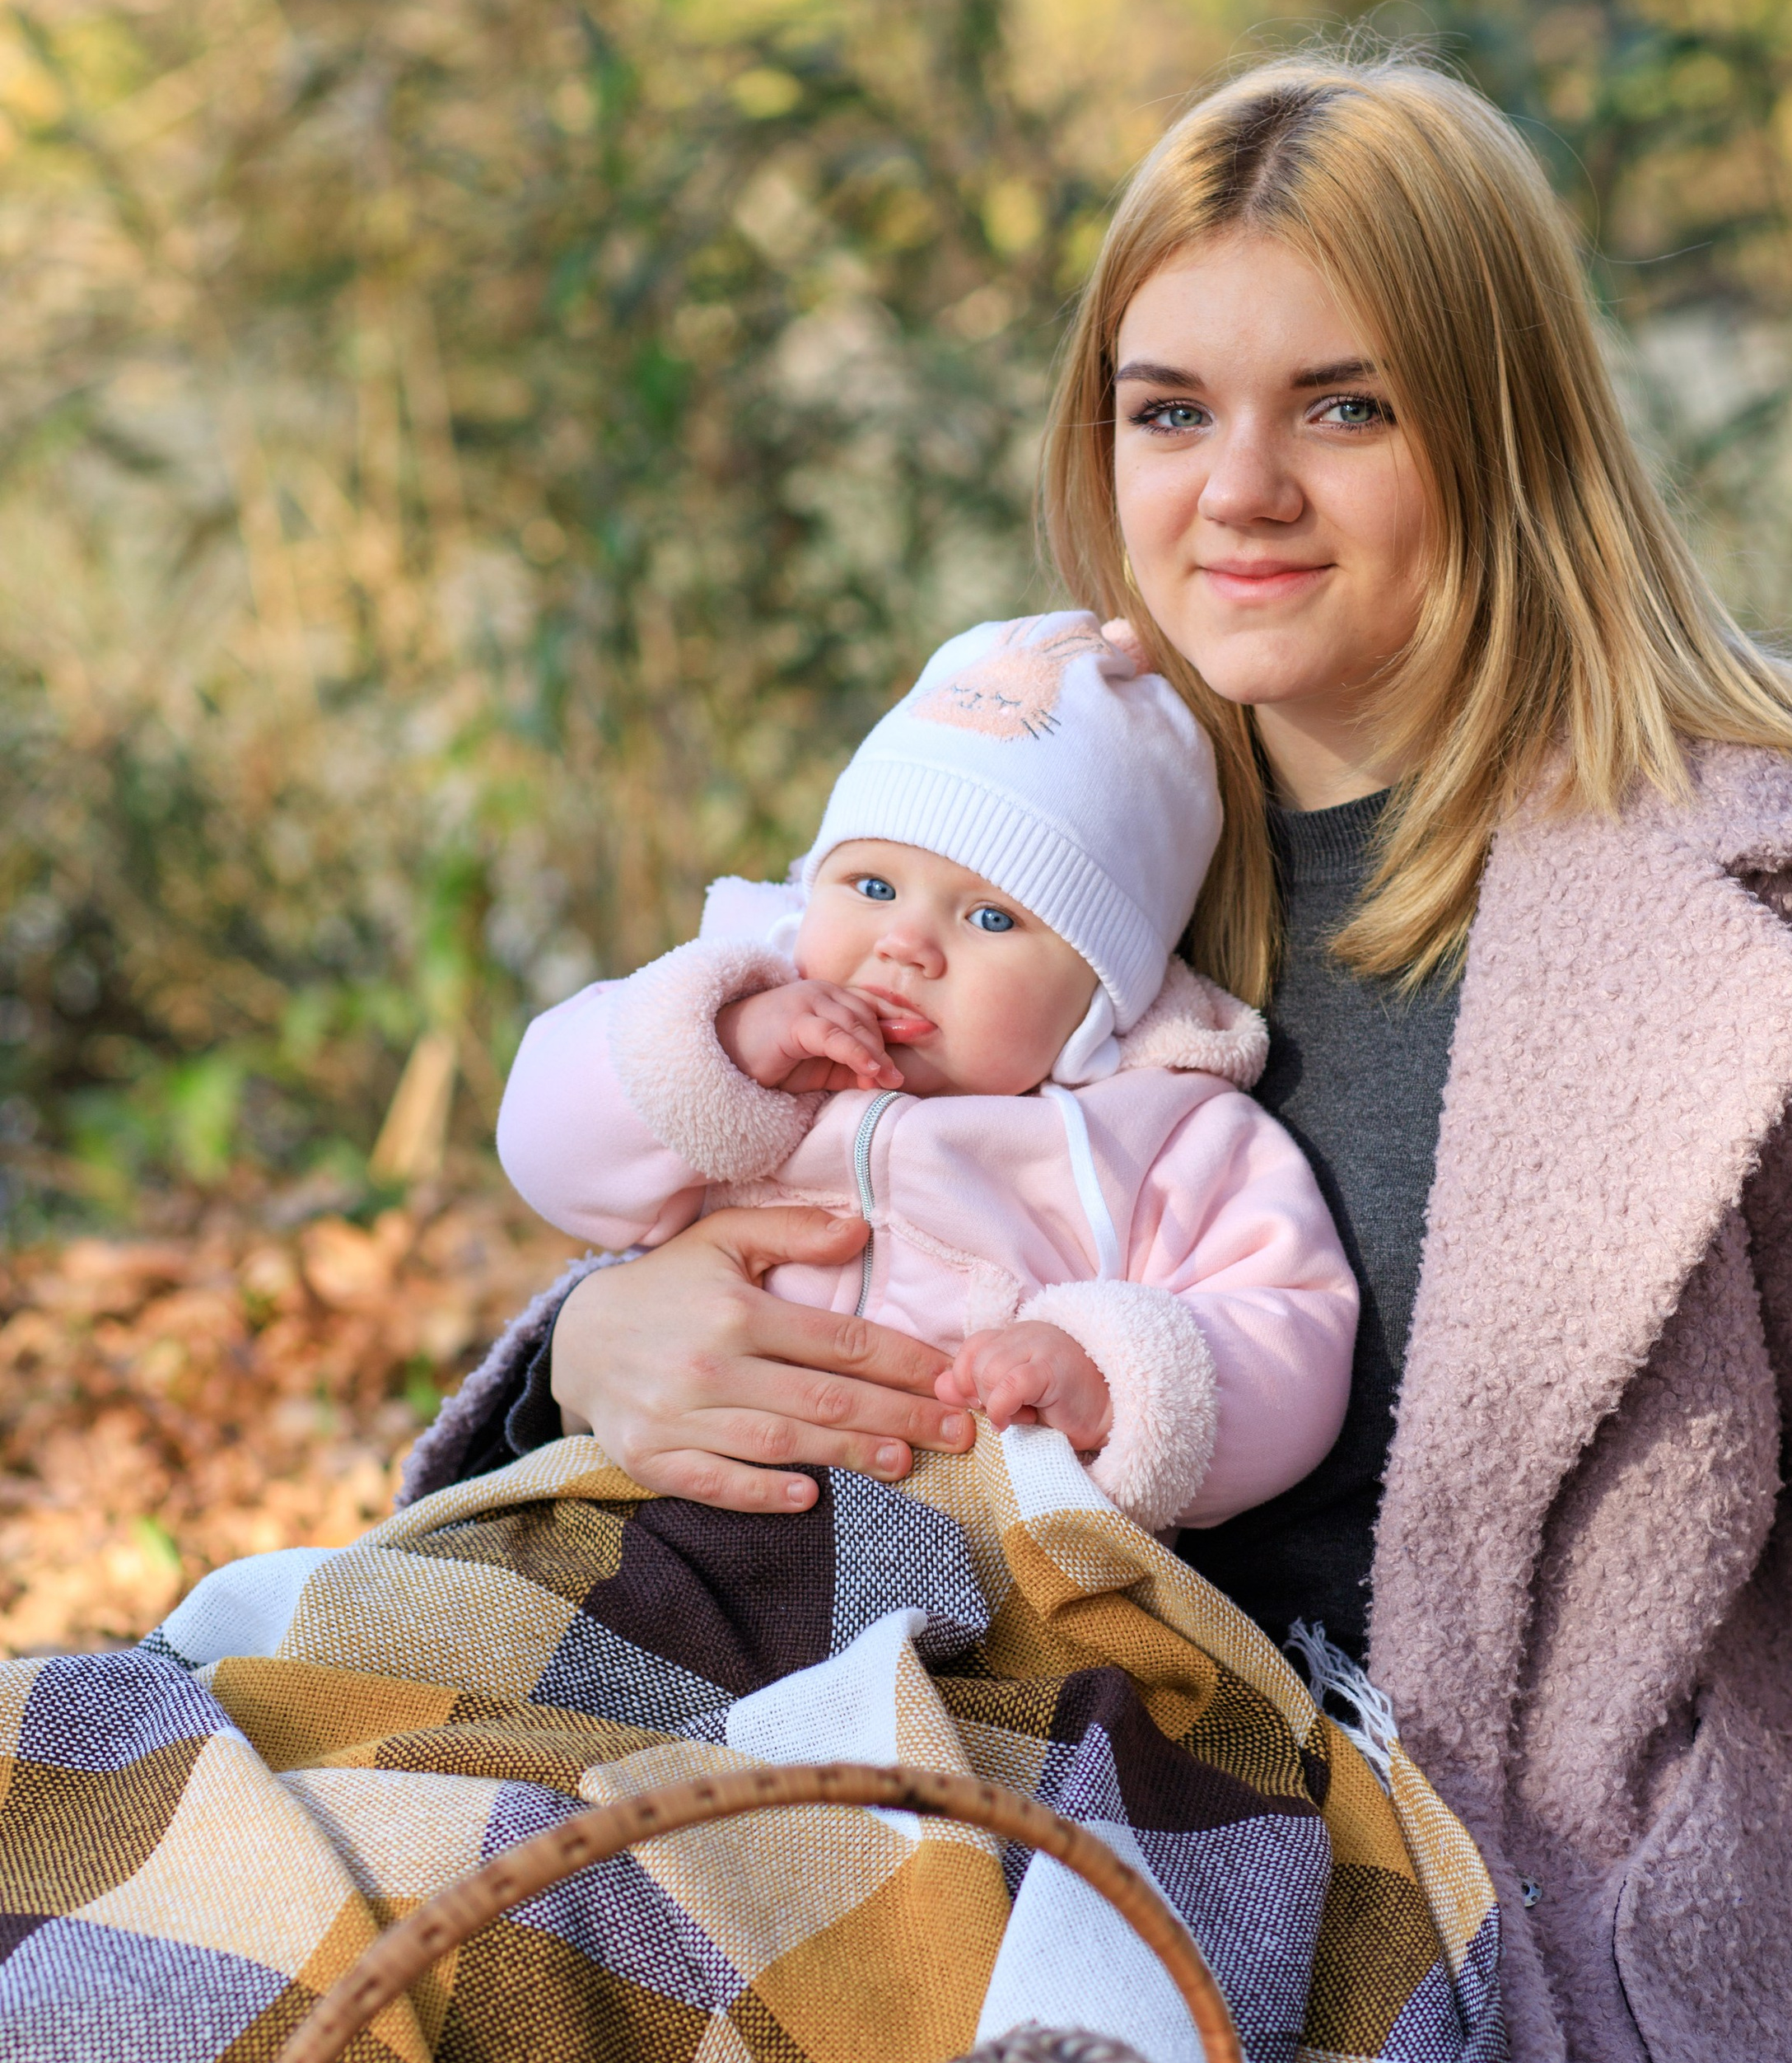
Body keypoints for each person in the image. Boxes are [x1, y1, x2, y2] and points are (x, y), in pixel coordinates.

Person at [408, 53, 1792, 2063]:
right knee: (338, 1905)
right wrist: (612, 1335)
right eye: (1169, 408)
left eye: (1345, 408)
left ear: (1503, 430)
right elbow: (793, 1191)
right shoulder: (1039, 838)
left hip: (1404, 1898)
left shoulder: (1755, 926)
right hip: (894, 1722)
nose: (1240, 494)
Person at [490, 609, 1360, 1532]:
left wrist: (1111, 1375)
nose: (905, 944)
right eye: (871, 887)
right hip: (664, 1514)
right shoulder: (737, 1038)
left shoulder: (1161, 1139)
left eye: (990, 919)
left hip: (977, 1579)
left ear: (1103, 997)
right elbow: (545, 1151)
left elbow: (1291, 1326)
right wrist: (722, 1050)